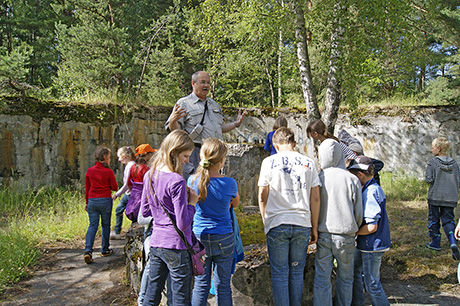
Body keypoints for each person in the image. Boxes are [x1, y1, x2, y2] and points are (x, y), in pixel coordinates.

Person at [258, 127, 320, 306]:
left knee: (279, 274)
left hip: (277, 223)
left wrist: (266, 221)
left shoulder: (268, 162)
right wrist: (314, 226)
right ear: (294, 143)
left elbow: (262, 195)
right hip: (302, 223)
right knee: (296, 272)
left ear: (275, 145)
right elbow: (315, 197)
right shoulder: (309, 163)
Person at [140, 130, 199, 306]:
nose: (187, 160)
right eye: (185, 155)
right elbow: (182, 223)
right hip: (177, 246)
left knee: (151, 295)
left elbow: (144, 211)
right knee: (180, 298)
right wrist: (192, 203)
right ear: (174, 153)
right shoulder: (177, 181)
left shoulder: (149, 175)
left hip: (157, 242)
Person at [165, 71, 246, 180]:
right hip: (195, 152)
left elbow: (220, 128)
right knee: (194, 185)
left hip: (214, 153)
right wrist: (173, 121)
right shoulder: (184, 103)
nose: (206, 85)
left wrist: (236, 124)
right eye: (202, 82)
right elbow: (176, 133)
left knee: (212, 185)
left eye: (208, 82)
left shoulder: (215, 105)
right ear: (193, 83)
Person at [187, 138, 239, 306]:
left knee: (200, 285)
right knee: (223, 285)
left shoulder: (192, 181)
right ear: (222, 160)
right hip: (224, 236)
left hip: (199, 236)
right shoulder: (230, 183)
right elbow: (236, 203)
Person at [313, 139, 363, 306]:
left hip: (324, 233)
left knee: (322, 278)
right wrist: (353, 228)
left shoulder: (319, 178)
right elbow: (359, 212)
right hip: (346, 234)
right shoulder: (352, 179)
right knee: (346, 278)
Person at [348, 156, 391, 306]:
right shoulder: (372, 187)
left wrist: (353, 232)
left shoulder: (371, 191)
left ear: (360, 174)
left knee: (372, 283)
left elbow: (372, 226)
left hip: (372, 245)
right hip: (366, 244)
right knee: (355, 273)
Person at [425, 137, 460, 260]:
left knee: (434, 219)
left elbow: (429, 179)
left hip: (435, 196)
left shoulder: (432, 163)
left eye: (433, 147)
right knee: (448, 220)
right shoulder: (455, 164)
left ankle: (435, 242)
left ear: (438, 149)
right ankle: (452, 242)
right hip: (450, 197)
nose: (431, 150)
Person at [84, 147, 118, 264]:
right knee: (105, 225)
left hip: (92, 200)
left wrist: (87, 203)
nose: (109, 159)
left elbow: (87, 189)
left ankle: (88, 250)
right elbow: (114, 187)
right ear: (104, 157)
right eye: (109, 157)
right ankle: (104, 249)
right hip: (105, 200)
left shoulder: (90, 171)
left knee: (92, 225)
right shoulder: (108, 171)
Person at [124, 144, 157, 222]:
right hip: (143, 194)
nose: (152, 155)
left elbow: (129, 183)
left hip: (134, 194)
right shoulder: (146, 169)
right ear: (147, 155)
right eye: (151, 153)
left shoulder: (133, 166)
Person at [111, 146, 136, 240]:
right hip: (131, 192)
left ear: (125, 156)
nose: (119, 159)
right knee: (127, 211)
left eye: (119, 157)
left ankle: (118, 231)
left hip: (130, 193)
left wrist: (117, 194)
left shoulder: (130, 166)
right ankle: (122, 230)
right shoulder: (131, 165)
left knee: (120, 210)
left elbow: (126, 184)